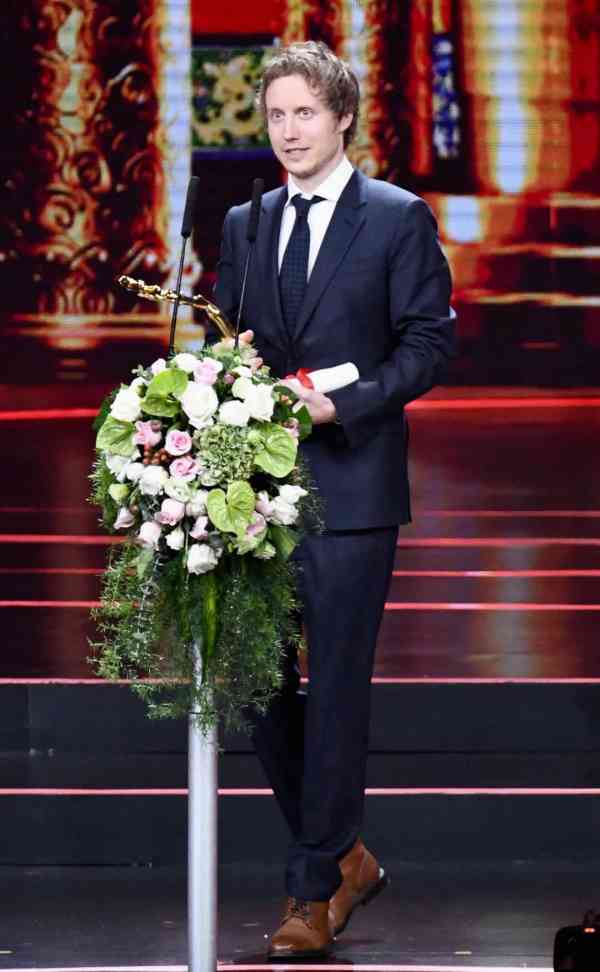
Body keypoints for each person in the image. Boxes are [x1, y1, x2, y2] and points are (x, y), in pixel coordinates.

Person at [214, 40, 456, 959]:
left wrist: (339, 405)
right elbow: (233, 337)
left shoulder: (396, 217)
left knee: (338, 689)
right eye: (276, 115)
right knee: (257, 686)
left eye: (304, 113)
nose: (288, 131)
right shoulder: (246, 222)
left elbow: (428, 345)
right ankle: (346, 856)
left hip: (352, 491)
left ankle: (311, 891)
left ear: (342, 116)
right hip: (254, 497)